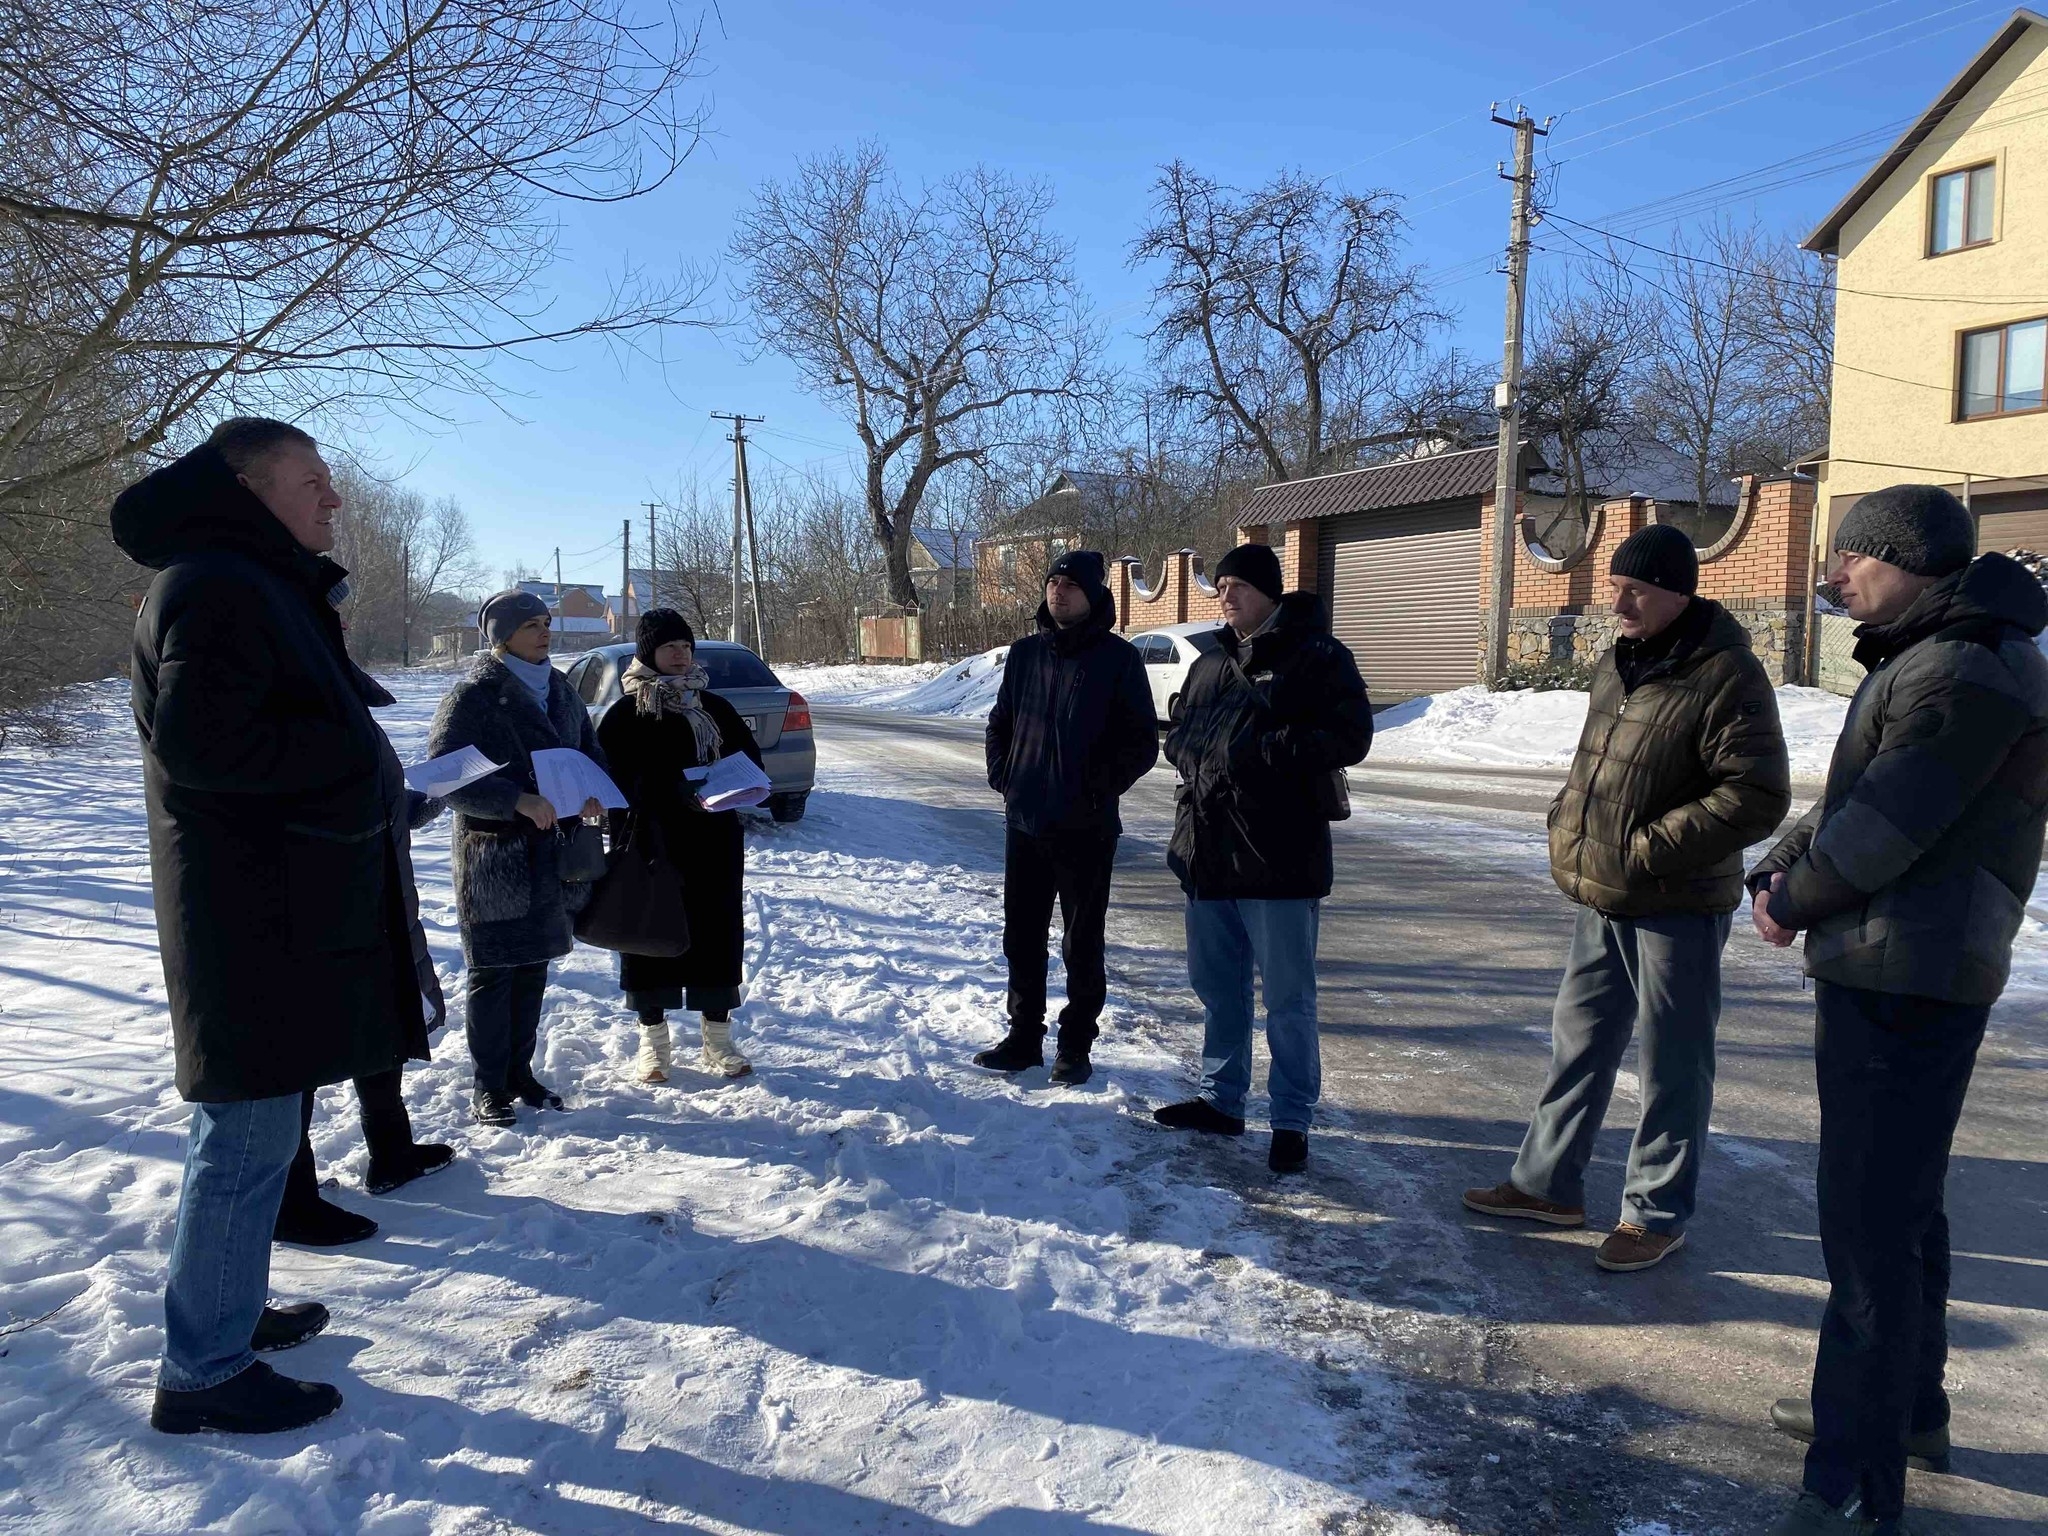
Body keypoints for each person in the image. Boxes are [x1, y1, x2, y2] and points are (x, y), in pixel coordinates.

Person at [115, 417, 431, 1435]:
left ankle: (229, 1315)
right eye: (311, 481)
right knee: (243, 1142)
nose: (331, 501)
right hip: (247, 923)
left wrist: (380, 786)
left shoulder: (243, 580)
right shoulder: (213, 585)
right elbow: (208, 752)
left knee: (253, 1135)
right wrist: (354, 767)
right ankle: (202, 1371)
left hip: (272, 910)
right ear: (246, 487)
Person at [1745, 486, 2048, 1536]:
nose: (1833, 577)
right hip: (1892, 964)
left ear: (1905, 560)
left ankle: (1850, 1483)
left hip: (1909, 971)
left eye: (1848, 558)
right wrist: (1781, 861)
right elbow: (1848, 798)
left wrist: (1792, 899)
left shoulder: (1968, 666)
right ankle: (1906, 1412)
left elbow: (1884, 827)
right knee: (1900, 1205)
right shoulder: (1935, 652)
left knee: (1866, 1227)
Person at [1461, 523, 1790, 1272]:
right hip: (1603, 895)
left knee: (1673, 1063)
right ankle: (1548, 1185)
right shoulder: (1618, 663)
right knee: (1577, 1042)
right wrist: (1566, 822)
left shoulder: (1726, 673)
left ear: (1679, 591)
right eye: (1614, 585)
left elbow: (1757, 795)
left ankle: (1656, 1212)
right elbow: (1594, 764)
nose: (1619, 600)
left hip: (1676, 904)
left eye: (1635, 588)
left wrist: (1647, 850)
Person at [1152, 541, 1370, 1173]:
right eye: (1221, 585)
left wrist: (1265, 752)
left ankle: (1292, 1120)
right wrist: (1192, 755)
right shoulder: (1211, 659)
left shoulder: (1317, 654)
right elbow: (1180, 732)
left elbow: (1351, 735)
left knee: (1288, 998)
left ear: (1271, 592)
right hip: (1210, 849)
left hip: (1278, 854)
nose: (1227, 595)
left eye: (1239, 585)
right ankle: (1222, 1101)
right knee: (1218, 989)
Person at [976, 551, 1159, 1084]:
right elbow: (1000, 722)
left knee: (1082, 942)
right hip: (1026, 823)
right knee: (1022, 936)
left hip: (1087, 828)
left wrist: (1096, 790)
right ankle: (1023, 1037)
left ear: (1094, 595)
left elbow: (1141, 742)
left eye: (1070, 585)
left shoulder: (1118, 660)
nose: (1058, 592)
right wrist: (1003, 776)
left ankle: (1075, 1045)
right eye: (1053, 583)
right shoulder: (1025, 654)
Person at [426, 591, 607, 1126]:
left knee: (532, 970)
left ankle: (520, 1074)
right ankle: (488, 1087)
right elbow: (443, 776)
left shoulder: (561, 690)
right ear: (500, 635)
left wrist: (594, 790)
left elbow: (588, 752)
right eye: (532, 625)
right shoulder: (473, 696)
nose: (545, 633)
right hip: (496, 858)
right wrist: (515, 800)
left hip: (551, 857)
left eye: (546, 623)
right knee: (493, 973)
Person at [273, 785, 456, 1248]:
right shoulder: (288, 717)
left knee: (383, 1017)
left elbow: (368, 787)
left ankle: (392, 1153)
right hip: (316, 901)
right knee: (303, 1045)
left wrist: (412, 803)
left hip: (374, 893)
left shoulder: (347, 712)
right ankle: (291, 1200)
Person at [597, 609, 764, 1081]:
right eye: (669, 646)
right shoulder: (627, 713)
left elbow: (748, 761)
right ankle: (653, 1044)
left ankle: (718, 1039)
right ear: (647, 652)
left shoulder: (714, 708)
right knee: (650, 938)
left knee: (717, 937)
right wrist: (671, 790)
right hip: (652, 846)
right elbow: (612, 778)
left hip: (714, 843)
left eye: (686, 646)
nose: (680, 654)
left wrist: (738, 785)